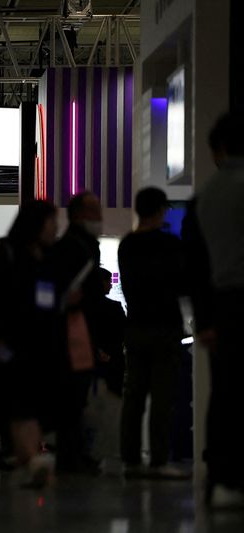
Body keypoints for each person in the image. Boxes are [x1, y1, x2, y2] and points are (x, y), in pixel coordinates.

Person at [0, 200, 61, 488]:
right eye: (51, 222)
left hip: (39, 342)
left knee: (29, 402)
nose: (55, 229)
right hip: (9, 341)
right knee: (20, 401)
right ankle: (29, 459)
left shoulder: (47, 256)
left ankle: (28, 459)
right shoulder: (8, 251)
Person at [117, 187, 189, 480]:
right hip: (166, 328)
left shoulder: (127, 245)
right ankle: (158, 460)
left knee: (134, 395)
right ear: (160, 210)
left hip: (135, 327)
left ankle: (131, 459)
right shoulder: (170, 244)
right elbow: (183, 284)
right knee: (163, 397)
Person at [196, 112, 244, 507]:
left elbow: (195, 266)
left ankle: (221, 475)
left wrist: (205, 319)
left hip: (223, 305)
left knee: (224, 391)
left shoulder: (206, 194)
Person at [49, 191, 104, 474]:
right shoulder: (76, 249)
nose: (100, 218)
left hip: (75, 330)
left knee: (74, 397)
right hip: (73, 333)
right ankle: (71, 456)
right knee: (72, 397)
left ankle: (72, 454)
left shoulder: (72, 246)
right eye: (95, 211)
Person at [84, 268, 126, 473]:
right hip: (113, 366)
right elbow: (122, 336)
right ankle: (106, 450)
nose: (110, 285)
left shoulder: (83, 310)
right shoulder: (115, 308)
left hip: (89, 364)